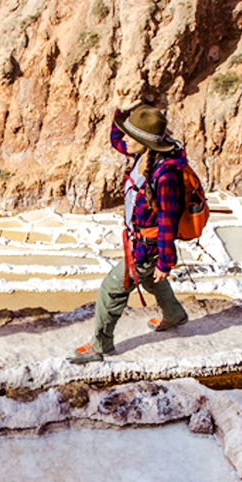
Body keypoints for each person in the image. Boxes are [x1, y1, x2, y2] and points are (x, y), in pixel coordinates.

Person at [68, 104, 192, 363]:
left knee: (111, 289)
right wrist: (119, 115)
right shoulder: (143, 157)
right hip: (140, 242)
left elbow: (167, 220)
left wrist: (166, 261)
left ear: (144, 142)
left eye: (130, 135)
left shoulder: (165, 175)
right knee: (149, 280)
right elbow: (117, 139)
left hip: (149, 246)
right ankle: (175, 315)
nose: (124, 139)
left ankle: (100, 346)